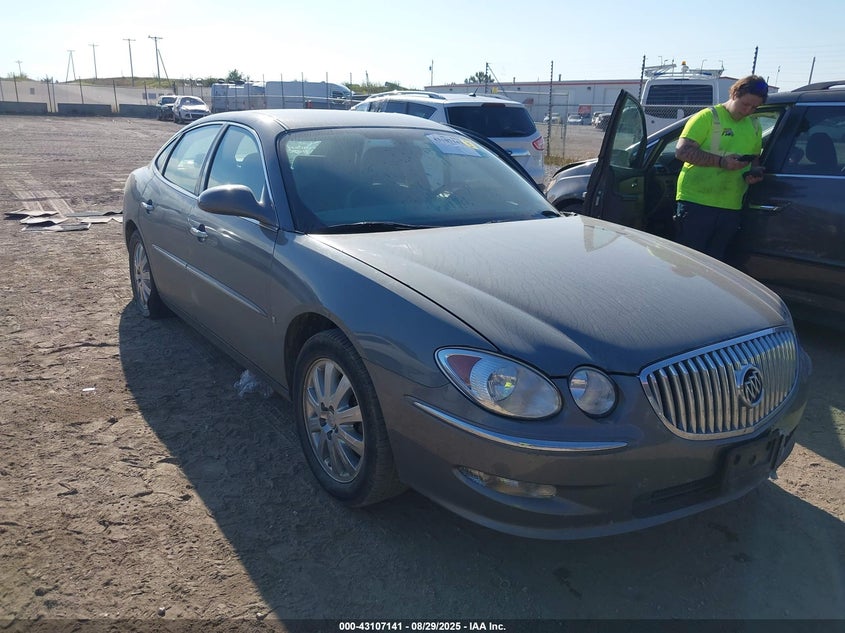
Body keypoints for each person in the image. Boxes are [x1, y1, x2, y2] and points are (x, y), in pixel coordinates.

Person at [674, 75, 768, 261]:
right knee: (688, 262)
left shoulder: (755, 125)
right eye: (745, 104)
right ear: (735, 93)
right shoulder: (708, 117)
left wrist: (754, 172)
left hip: (731, 205)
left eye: (754, 107)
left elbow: (755, 158)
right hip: (696, 203)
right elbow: (682, 151)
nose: (748, 110)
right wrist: (721, 162)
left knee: (716, 265)